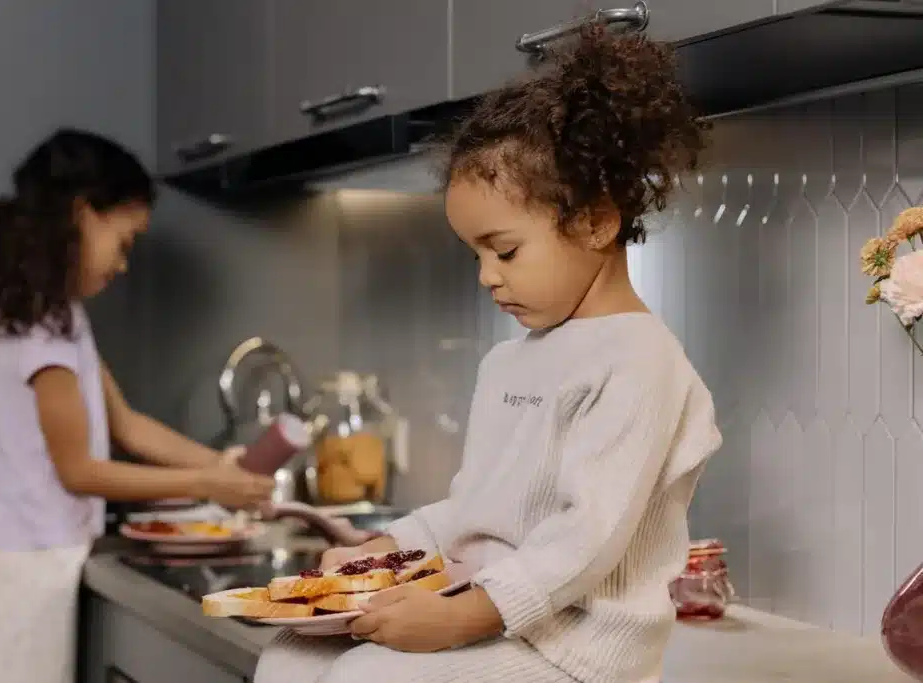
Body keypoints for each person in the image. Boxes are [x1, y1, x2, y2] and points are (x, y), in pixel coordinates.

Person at [255, 22, 720, 683]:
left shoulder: (640, 362)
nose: (487, 275)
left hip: (578, 651)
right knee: (288, 656)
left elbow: (584, 540)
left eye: (504, 250)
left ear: (595, 220)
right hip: (498, 616)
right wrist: (387, 544)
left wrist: (460, 617)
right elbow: (478, 512)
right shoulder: (510, 362)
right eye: (475, 253)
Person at [0, 129, 275, 683]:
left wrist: (222, 468)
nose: (124, 265)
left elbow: (127, 426)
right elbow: (79, 471)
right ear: (82, 215)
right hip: (21, 568)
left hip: (40, 557)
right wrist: (207, 484)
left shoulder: (62, 316)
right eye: (125, 243)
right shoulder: (41, 331)